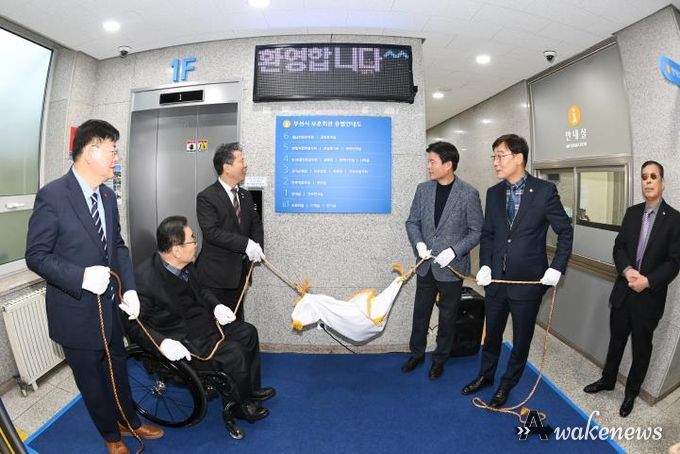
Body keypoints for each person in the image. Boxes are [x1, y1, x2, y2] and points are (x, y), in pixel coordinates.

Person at [25, 119, 163, 454]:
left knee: (118, 369)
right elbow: (36, 256)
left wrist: (129, 288)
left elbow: (118, 246)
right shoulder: (53, 196)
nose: (117, 158)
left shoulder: (107, 196)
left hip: (111, 308)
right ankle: (111, 437)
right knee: (92, 381)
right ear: (91, 151)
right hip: (75, 313)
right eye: (112, 150)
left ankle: (128, 420)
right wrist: (82, 277)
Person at [127, 216, 275, 422]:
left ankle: (249, 389)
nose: (196, 244)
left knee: (248, 332)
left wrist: (217, 306)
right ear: (176, 250)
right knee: (234, 352)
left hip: (204, 325)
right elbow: (134, 326)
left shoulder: (186, 265)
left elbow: (202, 290)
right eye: (192, 240)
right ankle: (239, 408)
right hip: (181, 338)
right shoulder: (144, 280)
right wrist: (163, 343)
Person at [462, 134, 573, 407]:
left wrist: (556, 268)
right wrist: (485, 264)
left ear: (519, 158)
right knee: (492, 335)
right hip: (496, 282)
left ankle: (507, 384)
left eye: (501, 156)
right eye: (494, 156)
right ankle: (485, 375)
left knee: (522, 339)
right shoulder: (494, 193)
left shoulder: (545, 191)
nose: (495, 162)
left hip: (529, 282)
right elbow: (488, 234)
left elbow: (565, 231)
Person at [584, 161, 680, 417]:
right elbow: (619, 247)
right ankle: (607, 380)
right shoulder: (632, 213)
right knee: (616, 341)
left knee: (641, 349)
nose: (648, 181)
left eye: (653, 177)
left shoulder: (675, 219)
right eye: (644, 177)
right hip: (623, 292)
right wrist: (627, 271)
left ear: (662, 183)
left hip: (649, 298)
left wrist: (647, 281)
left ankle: (631, 393)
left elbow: (674, 262)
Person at [403, 141, 484, 379]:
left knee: (448, 316)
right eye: (428, 161)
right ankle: (416, 353)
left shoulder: (468, 193)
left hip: (452, 268)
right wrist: (419, 244)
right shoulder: (423, 190)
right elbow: (412, 222)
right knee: (420, 313)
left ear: (448, 165)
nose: (428, 166)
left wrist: (454, 251)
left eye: (432, 161)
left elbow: (477, 231)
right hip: (426, 266)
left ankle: (440, 359)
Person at [196, 143, 264, 320]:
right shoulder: (207, 197)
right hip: (216, 277)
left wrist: (257, 247)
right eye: (241, 160)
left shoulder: (245, 195)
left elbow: (255, 224)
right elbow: (211, 232)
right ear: (227, 167)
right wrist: (246, 244)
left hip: (240, 275)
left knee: (237, 321)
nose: (246, 165)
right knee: (217, 324)